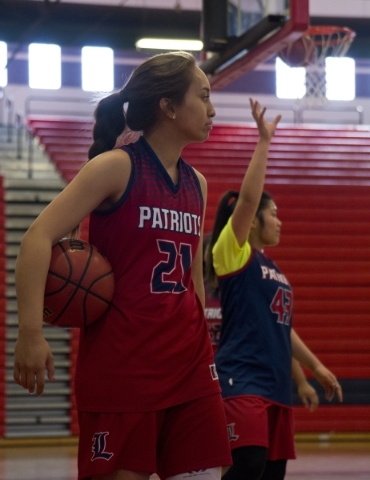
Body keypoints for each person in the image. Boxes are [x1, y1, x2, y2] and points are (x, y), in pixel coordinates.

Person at [13, 51, 232, 480]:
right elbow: (37, 239)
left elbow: (191, 279)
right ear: (168, 106)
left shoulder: (198, 184)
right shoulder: (116, 167)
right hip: (124, 366)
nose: (212, 109)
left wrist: (206, 340)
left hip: (189, 363)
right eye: (203, 96)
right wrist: (29, 334)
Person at [205, 99, 343, 480]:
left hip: (277, 387)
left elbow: (283, 329)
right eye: (274, 213)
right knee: (246, 467)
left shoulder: (274, 269)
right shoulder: (232, 253)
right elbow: (248, 199)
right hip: (242, 379)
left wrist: (314, 367)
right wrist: (264, 142)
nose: (280, 221)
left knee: (270, 475)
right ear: (251, 223)